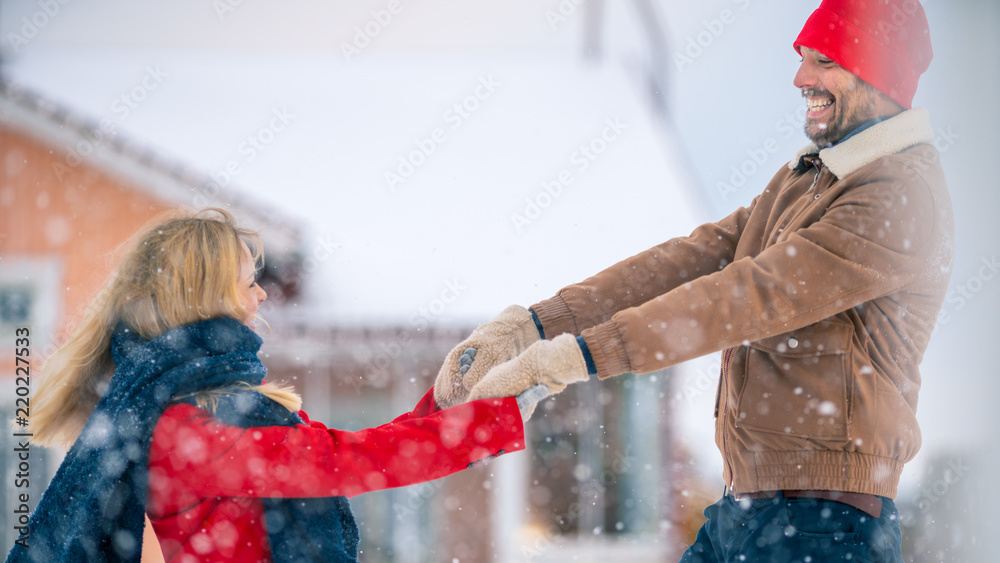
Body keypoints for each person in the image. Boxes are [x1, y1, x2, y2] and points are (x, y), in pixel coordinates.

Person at [434, 0, 953, 560]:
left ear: (878, 71)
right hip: (750, 508)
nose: (800, 78)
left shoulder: (899, 196)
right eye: (803, 58)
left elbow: (751, 295)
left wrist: (570, 360)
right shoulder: (806, 181)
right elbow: (693, 260)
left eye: (824, 61)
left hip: (825, 523)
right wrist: (533, 327)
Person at [8, 208, 527, 563]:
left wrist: (450, 404)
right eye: (247, 282)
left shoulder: (211, 407)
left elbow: (343, 451)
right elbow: (347, 461)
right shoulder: (184, 429)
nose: (260, 296)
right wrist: (491, 422)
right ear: (208, 297)